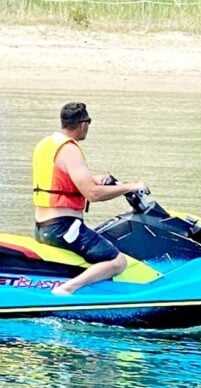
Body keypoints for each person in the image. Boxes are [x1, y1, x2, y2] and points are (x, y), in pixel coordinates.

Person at [32, 102, 150, 295]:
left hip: (43, 225)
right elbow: (93, 194)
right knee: (117, 261)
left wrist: (95, 178)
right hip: (63, 227)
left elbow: (58, 180)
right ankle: (67, 290)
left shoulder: (47, 144)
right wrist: (131, 186)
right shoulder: (70, 149)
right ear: (83, 124)